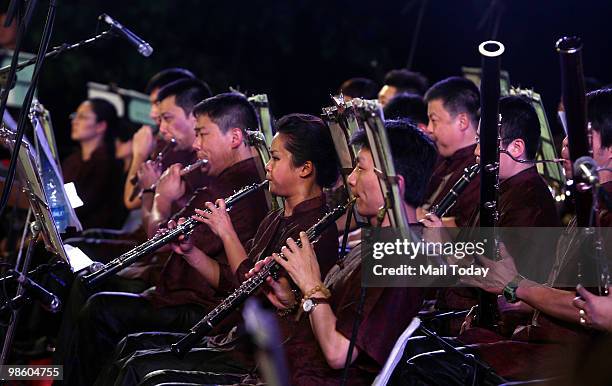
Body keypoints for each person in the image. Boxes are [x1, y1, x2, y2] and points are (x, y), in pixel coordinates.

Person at [94, 113, 343, 386]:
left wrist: (225, 232)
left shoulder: (314, 231)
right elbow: (229, 282)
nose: (267, 166)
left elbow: (252, 290)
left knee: (140, 368)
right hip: (232, 338)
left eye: (275, 158)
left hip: (255, 356)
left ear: (305, 169)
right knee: (131, 352)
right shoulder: (277, 216)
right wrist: (191, 252)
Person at [58, 92, 270, 386]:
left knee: (99, 308)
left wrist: (158, 197)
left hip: (201, 305)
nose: (197, 145)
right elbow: (170, 241)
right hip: (175, 286)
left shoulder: (235, 189)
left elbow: (158, 237)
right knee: (89, 286)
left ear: (235, 137)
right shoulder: (220, 181)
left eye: (202, 134)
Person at [123, 68, 199, 210]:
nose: (152, 113)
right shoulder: (166, 143)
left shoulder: (186, 147)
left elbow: (131, 202)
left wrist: (139, 155)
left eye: (157, 103)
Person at [418, 76, 481, 228]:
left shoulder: (480, 168)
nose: (429, 129)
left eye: (434, 120)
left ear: (462, 122)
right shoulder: (440, 154)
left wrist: (412, 214)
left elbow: (464, 227)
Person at [62, 98, 127, 229]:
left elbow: (81, 207)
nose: (75, 121)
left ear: (101, 126)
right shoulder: (71, 160)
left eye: (83, 117)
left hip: (85, 238)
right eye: (75, 116)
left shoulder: (107, 165)